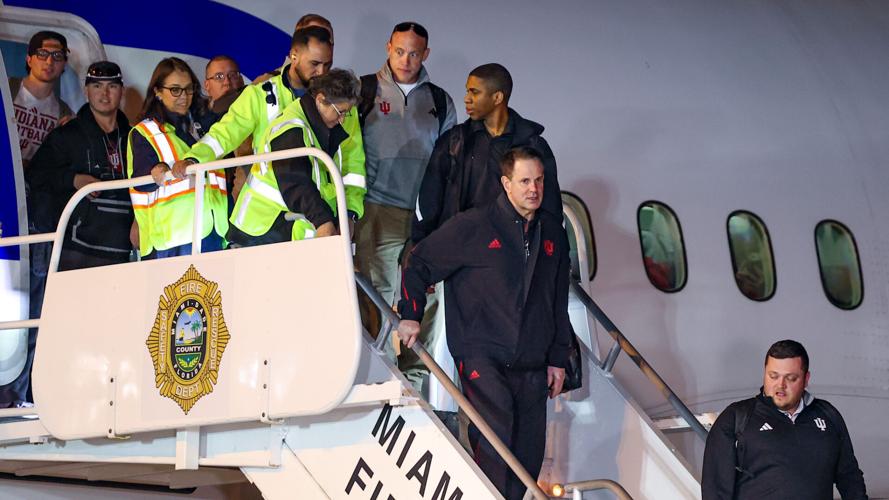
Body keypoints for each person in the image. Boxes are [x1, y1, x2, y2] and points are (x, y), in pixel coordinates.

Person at [397, 147, 573, 500]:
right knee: (496, 444)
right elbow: (418, 263)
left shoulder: (552, 233)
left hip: (533, 361)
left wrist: (558, 357)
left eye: (539, 180)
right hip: (482, 356)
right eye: (525, 181)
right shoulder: (474, 226)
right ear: (506, 184)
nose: (534, 189)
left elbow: (556, 301)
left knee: (528, 456)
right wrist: (411, 314)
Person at [173, 26, 366, 228]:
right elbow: (224, 134)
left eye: (328, 64)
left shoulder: (340, 104)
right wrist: (195, 158)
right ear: (294, 55)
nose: (321, 72)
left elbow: (353, 165)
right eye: (315, 63)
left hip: (316, 220)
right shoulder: (259, 94)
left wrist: (350, 213)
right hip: (266, 220)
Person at [353, 21, 456, 394]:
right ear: (387, 48)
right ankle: (379, 374)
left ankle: (412, 379)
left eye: (414, 52)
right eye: (399, 51)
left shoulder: (440, 100)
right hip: (377, 209)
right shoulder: (364, 91)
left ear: (425, 54)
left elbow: (449, 163)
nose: (406, 59)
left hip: (422, 216)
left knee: (429, 298)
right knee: (374, 294)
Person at [412, 63, 563, 245]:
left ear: (497, 97)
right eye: (467, 91)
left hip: (512, 254)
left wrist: (554, 255)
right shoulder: (454, 141)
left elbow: (551, 207)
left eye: (474, 92)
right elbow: (429, 199)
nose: (467, 99)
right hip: (460, 249)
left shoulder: (533, 145)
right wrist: (419, 247)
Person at [702, 340, 867, 499]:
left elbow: (849, 477)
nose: (780, 385)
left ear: (806, 379)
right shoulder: (736, 417)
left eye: (790, 378)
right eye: (773, 376)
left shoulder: (828, 415)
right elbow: (715, 488)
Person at [229, 69, 360, 245]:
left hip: (284, 228)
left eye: (347, 113)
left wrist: (346, 216)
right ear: (320, 100)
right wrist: (323, 221)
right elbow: (295, 182)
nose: (343, 119)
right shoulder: (291, 129)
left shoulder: (321, 127)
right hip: (261, 230)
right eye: (340, 112)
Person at [27, 61, 134, 271]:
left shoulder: (135, 137)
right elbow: (35, 176)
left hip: (124, 249)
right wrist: (74, 179)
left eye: (112, 86)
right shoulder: (66, 135)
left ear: (121, 91)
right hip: (75, 251)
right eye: (97, 86)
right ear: (86, 92)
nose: (105, 93)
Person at [126, 57, 228, 258]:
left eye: (188, 89)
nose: (183, 96)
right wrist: (157, 171)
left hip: (213, 233)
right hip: (170, 243)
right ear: (157, 91)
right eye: (175, 89)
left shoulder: (201, 126)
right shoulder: (146, 131)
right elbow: (141, 181)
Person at [11, 30, 73, 169]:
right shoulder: (6, 89)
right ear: (29, 59)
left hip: (30, 187)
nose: (49, 61)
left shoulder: (65, 114)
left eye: (57, 56)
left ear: (64, 64)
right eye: (43, 54)